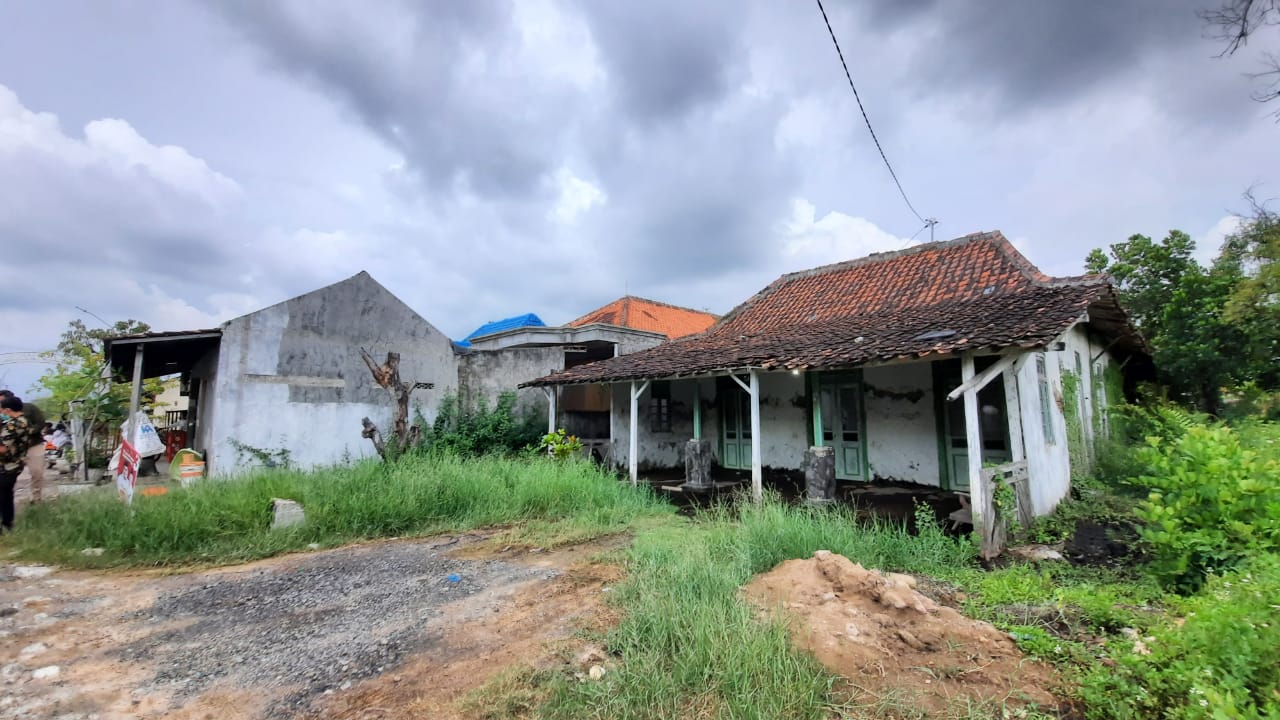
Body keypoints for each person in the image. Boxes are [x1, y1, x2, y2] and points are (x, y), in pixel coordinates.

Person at [0, 390, 44, 502]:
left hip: (33, 444)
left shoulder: (29, 408)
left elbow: (40, 422)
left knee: (36, 472)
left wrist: (26, 432)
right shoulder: (3, 415)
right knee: (8, 476)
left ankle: (36, 498)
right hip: (11, 449)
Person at [0, 395, 33, 532]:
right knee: (7, 496)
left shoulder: (13, 424)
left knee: (2, 497)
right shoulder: (25, 421)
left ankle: (5, 526)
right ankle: (8, 525)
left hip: (7, 465)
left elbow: (2, 448)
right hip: (15, 464)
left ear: (8, 410)